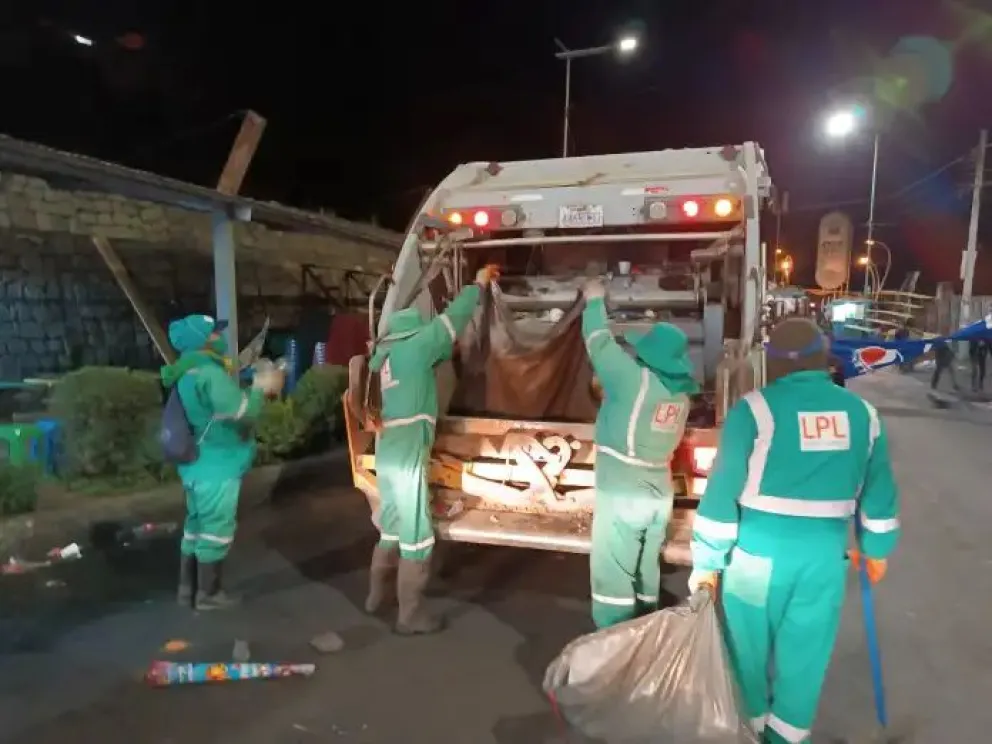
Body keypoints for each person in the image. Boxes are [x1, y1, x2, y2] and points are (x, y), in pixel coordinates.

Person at [688, 317, 900, 743]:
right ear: (822, 360)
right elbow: (879, 497)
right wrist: (876, 550)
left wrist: (708, 561)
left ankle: (749, 732)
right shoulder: (863, 415)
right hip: (823, 559)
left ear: (774, 363)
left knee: (746, 656)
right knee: (805, 659)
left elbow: (722, 493)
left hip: (755, 560)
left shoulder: (755, 409)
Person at [364, 264, 499, 635]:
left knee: (390, 524)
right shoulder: (414, 348)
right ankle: (410, 615)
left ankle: (376, 597)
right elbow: (452, 321)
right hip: (407, 454)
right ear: (414, 333)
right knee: (418, 533)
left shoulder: (387, 358)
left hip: (388, 449)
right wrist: (478, 284)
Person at [581, 278, 699, 629]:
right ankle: (646, 633)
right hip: (657, 491)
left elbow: (597, 341)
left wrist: (594, 300)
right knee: (646, 567)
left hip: (622, 491)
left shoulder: (633, 380)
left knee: (613, 571)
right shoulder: (681, 396)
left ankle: (615, 647)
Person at [161, 314, 284, 611]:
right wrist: (260, 387)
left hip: (195, 464)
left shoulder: (187, 371)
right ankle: (209, 594)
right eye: (214, 332)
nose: (220, 337)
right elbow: (242, 413)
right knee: (216, 528)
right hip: (216, 464)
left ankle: (187, 591)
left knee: (195, 526)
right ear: (202, 340)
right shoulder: (208, 373)